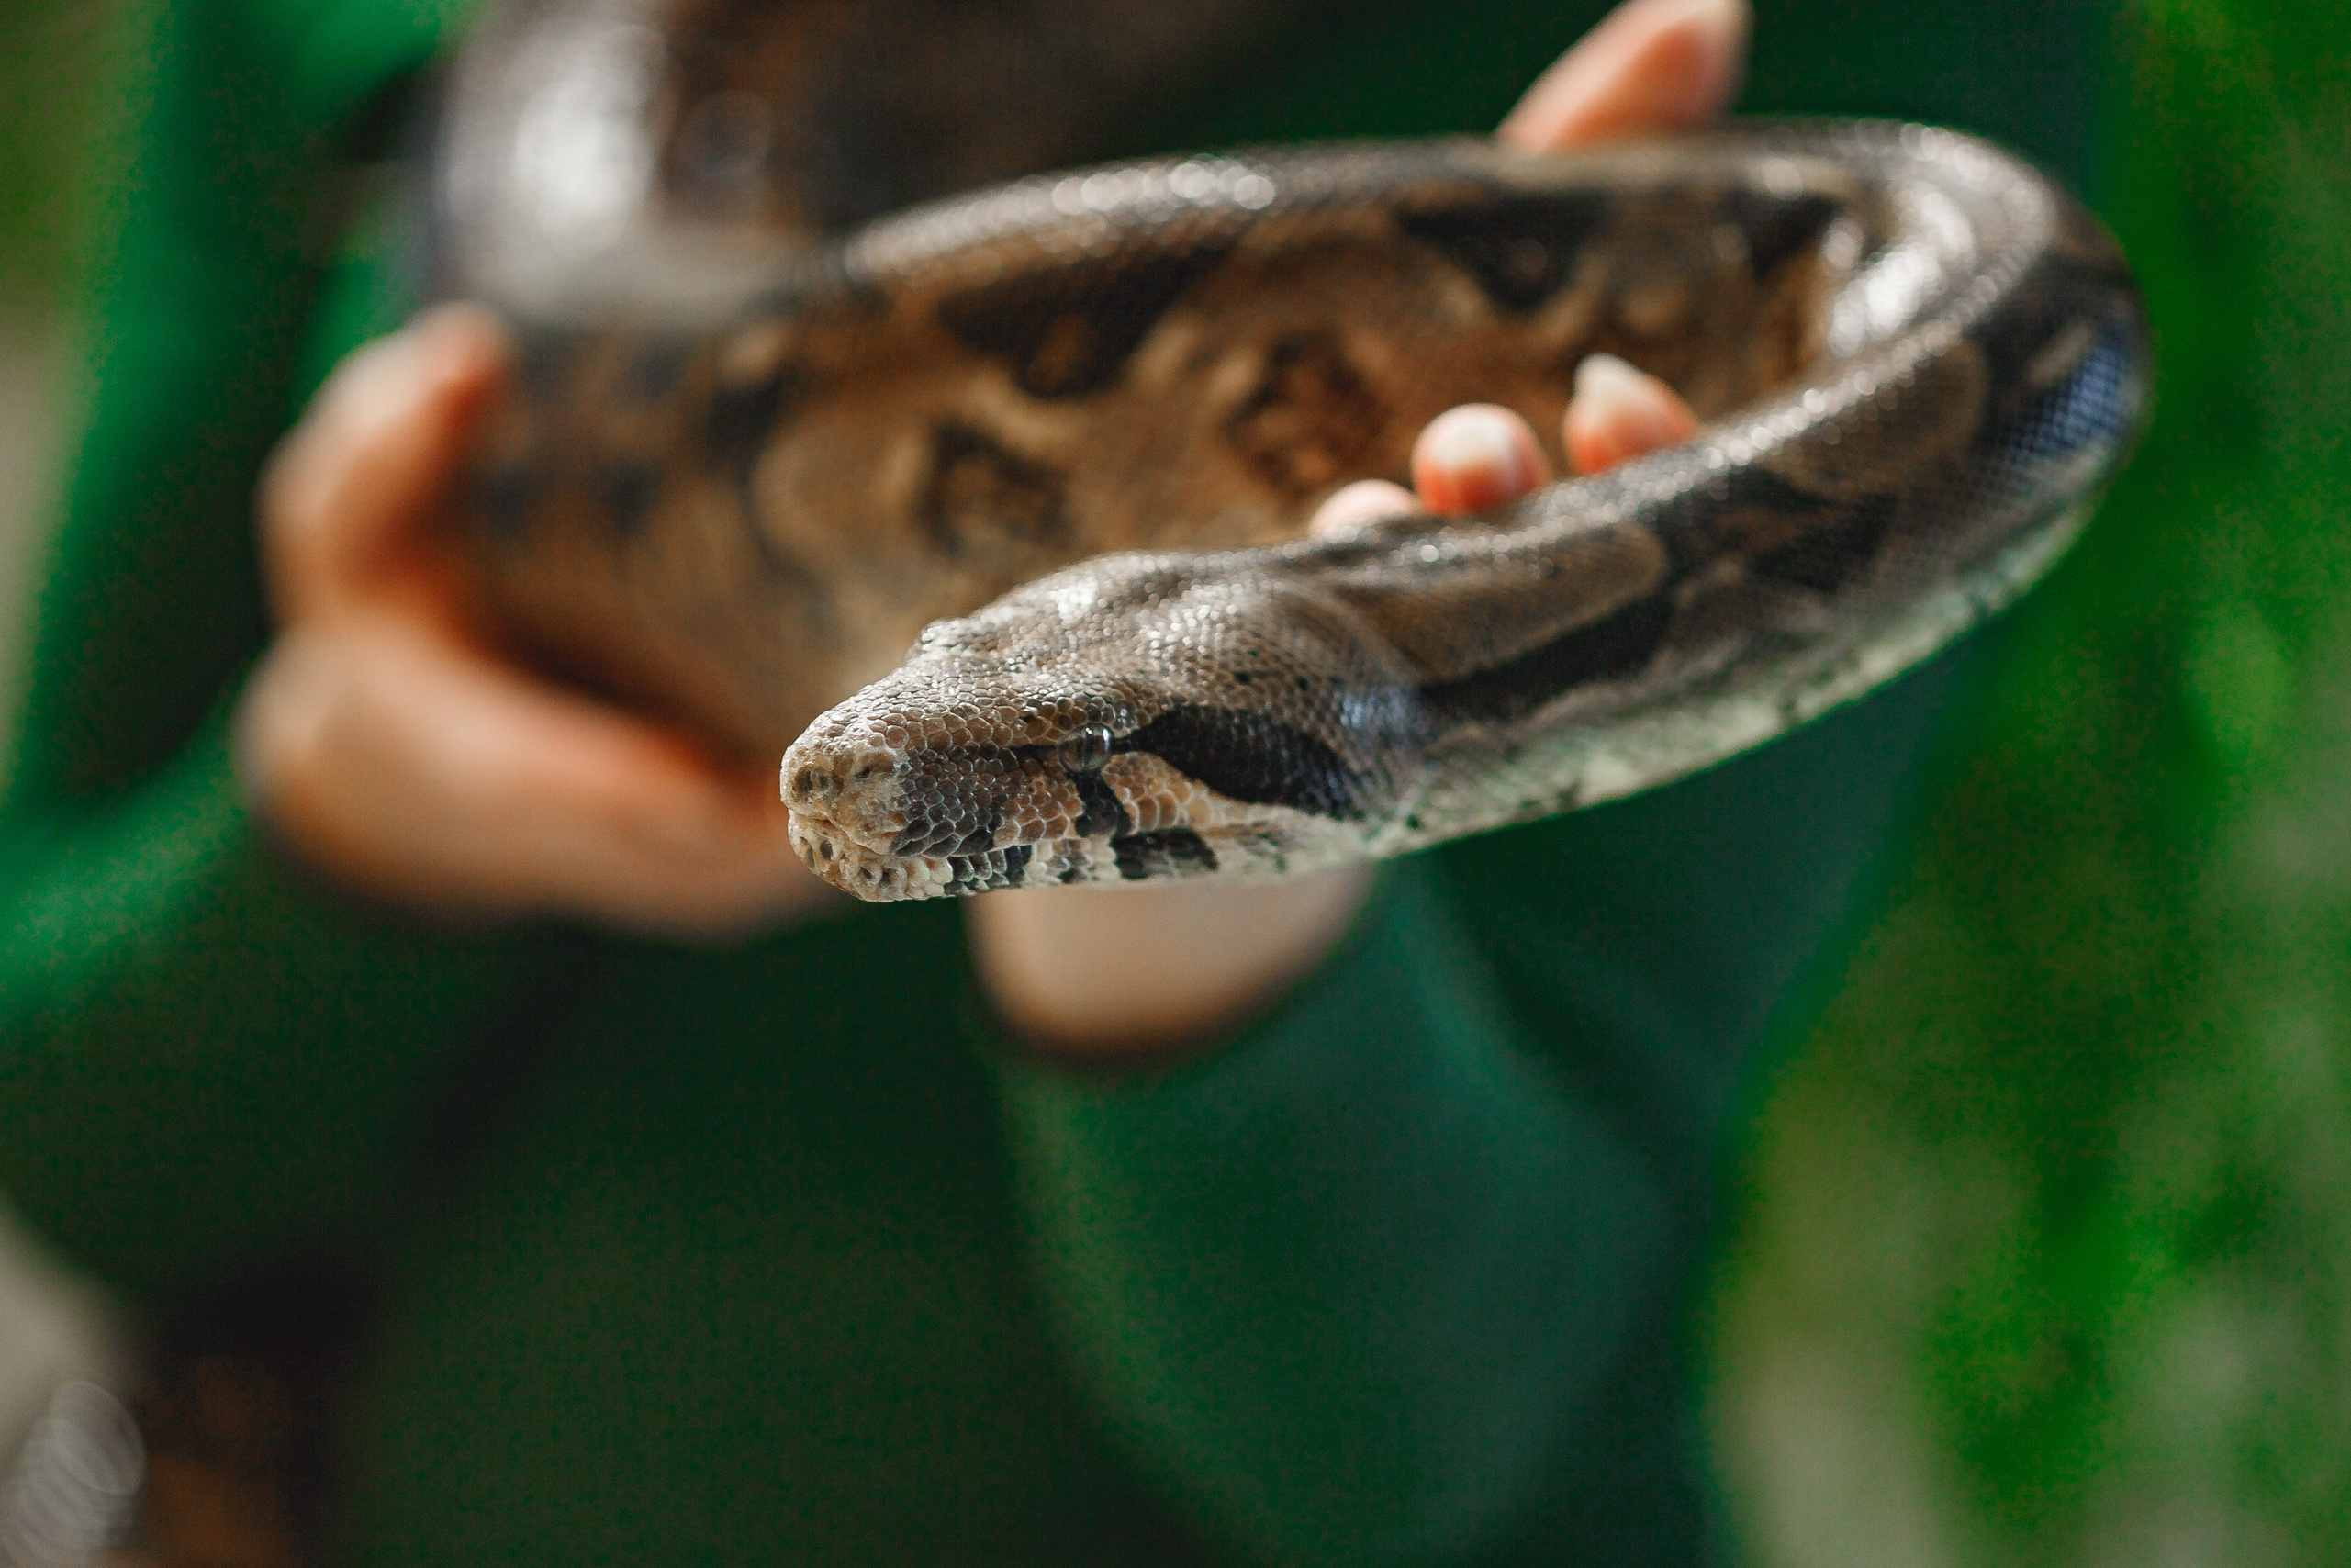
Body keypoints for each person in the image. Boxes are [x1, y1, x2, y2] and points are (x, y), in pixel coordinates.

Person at [0, 0, 1959, 1562]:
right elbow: (65, 1127)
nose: (845, 798)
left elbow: (1442, 1460)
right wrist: (334, 817)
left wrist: (1197, 914)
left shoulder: (1846, 110)